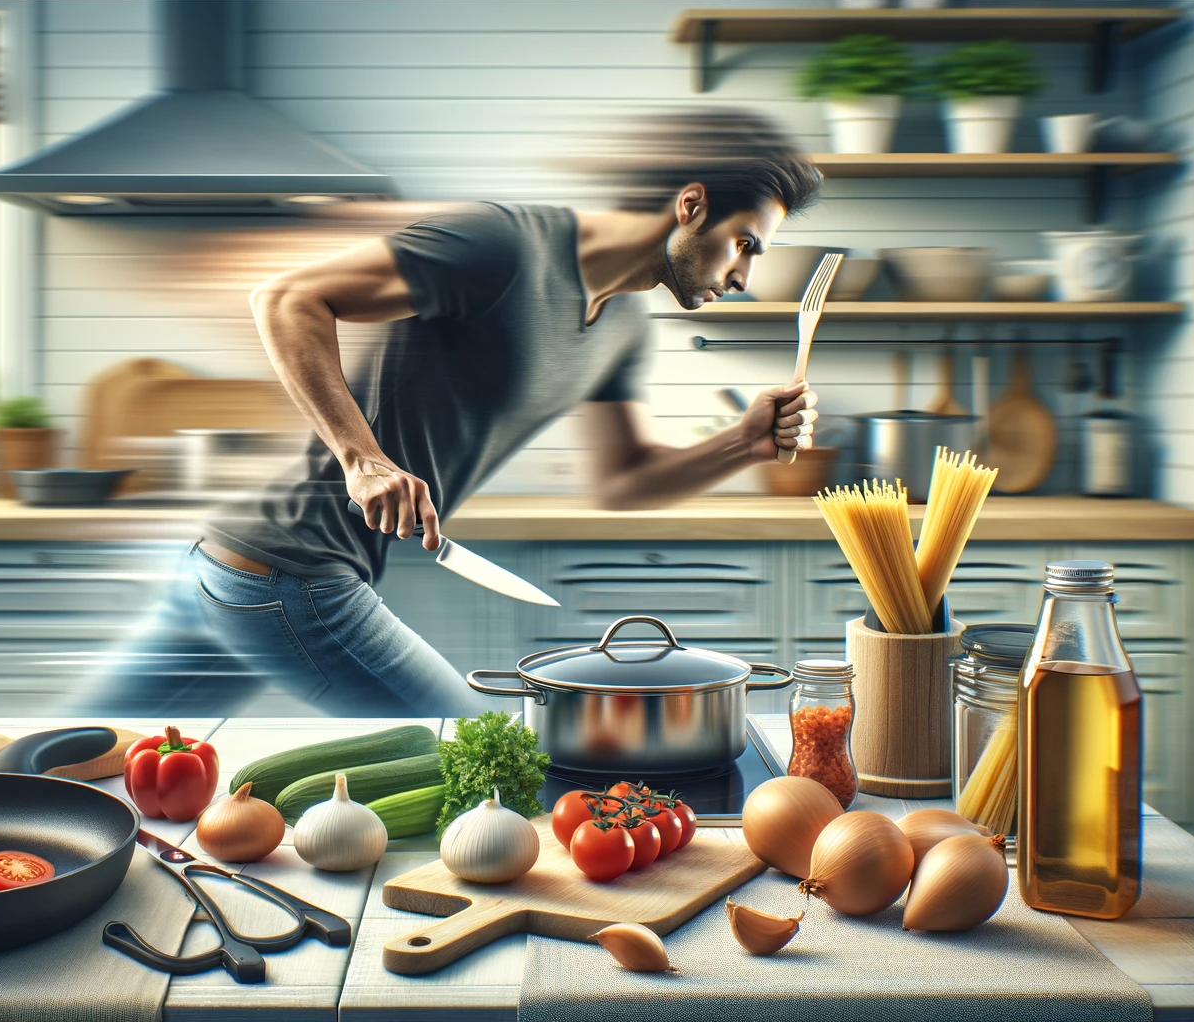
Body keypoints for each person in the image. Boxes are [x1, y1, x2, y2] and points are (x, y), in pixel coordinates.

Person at [79, 109, 824, 719]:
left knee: (76, 758)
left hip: (231, 569)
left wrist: (745, 445)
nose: (745, 276)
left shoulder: (625, 328)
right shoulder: (501, 245)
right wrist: (362, 457)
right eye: (744, 245)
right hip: (291, 572)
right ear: (691, 205)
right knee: (487, 761)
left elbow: (624, 481)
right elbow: (286, 298)